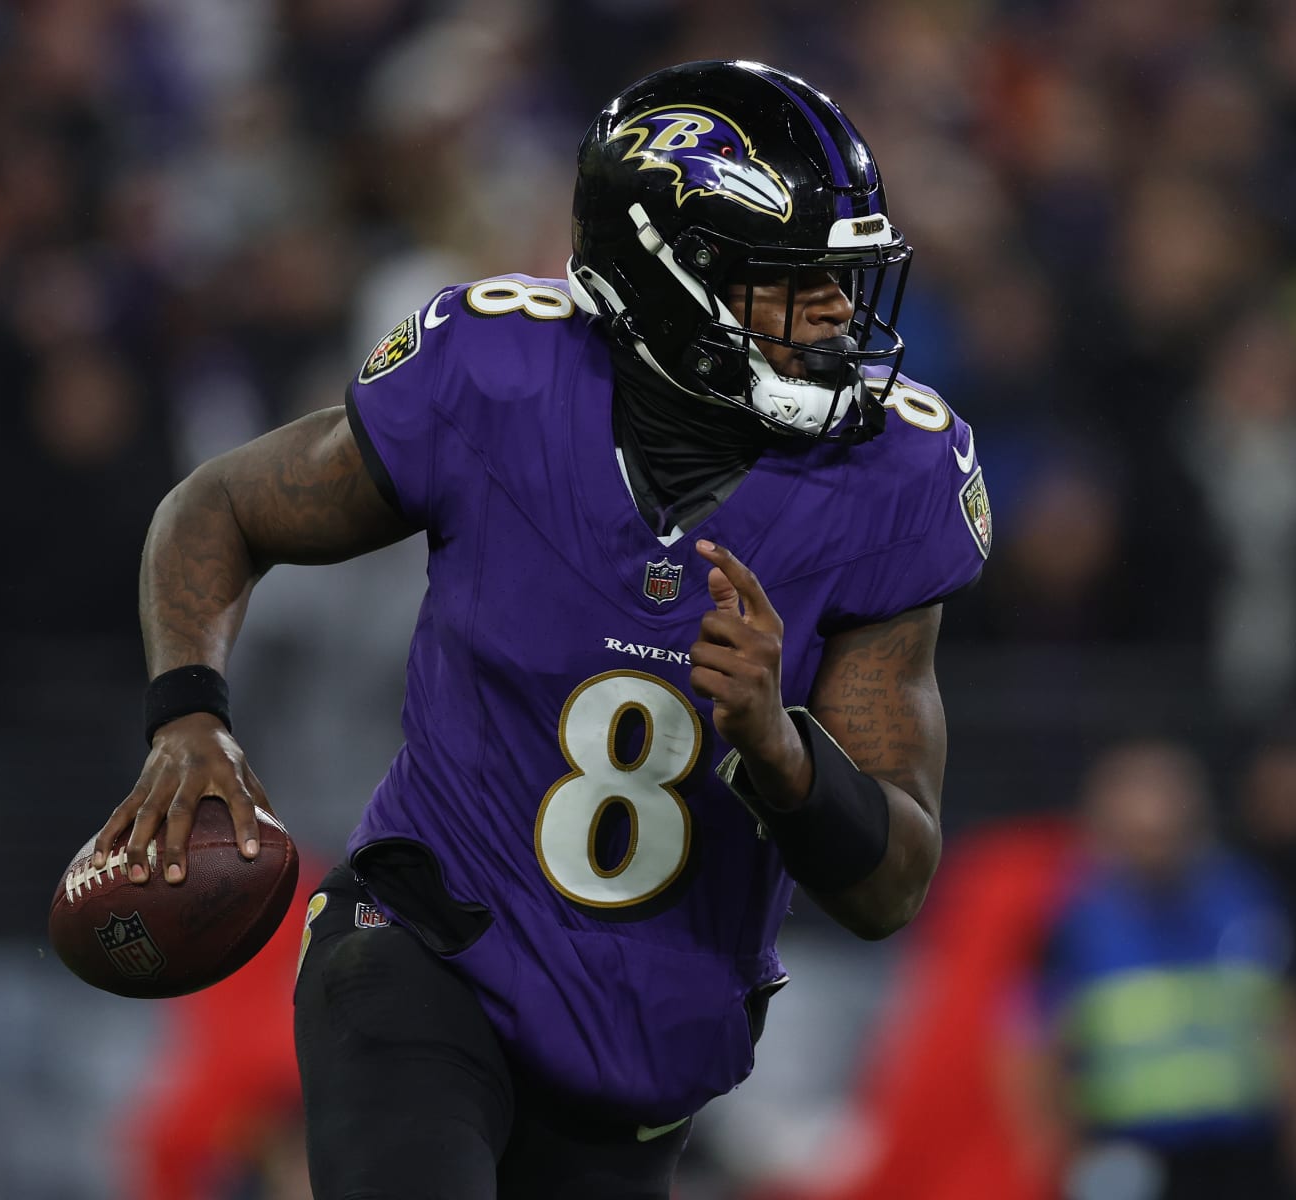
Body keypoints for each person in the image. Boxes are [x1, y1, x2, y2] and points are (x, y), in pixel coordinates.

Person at [89, 60, 988, 1200]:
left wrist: (780, 747)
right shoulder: (499, 378)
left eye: (843, 276)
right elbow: (215, 508)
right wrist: (186, 719)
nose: (835, 311)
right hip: (430, 948)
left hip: (645, 1052)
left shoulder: (892, 475)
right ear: (673, 278)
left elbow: (893, 882)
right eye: (791, 277)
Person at [1030, 741, 1296, 1200]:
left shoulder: (1247, 898)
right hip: (1127, 1155)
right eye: (1140, 832)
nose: (1156, 842)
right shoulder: (1072, 920)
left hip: (1245, 1152)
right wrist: (1057, 1152)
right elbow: (1034, 1042)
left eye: (1168, 825)